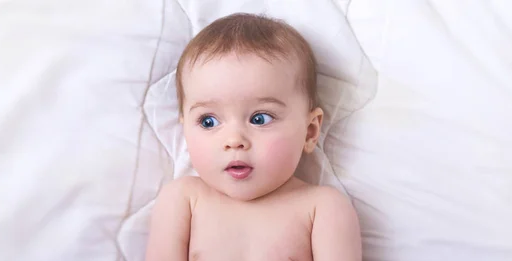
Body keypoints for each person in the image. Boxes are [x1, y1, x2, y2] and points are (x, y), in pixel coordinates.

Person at [145, 13, 361, 261]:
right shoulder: (182, 200)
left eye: (260, 118)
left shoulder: (323, 209)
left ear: (310, 131)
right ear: (185, 130)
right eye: (208, 122)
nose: (234, 140)